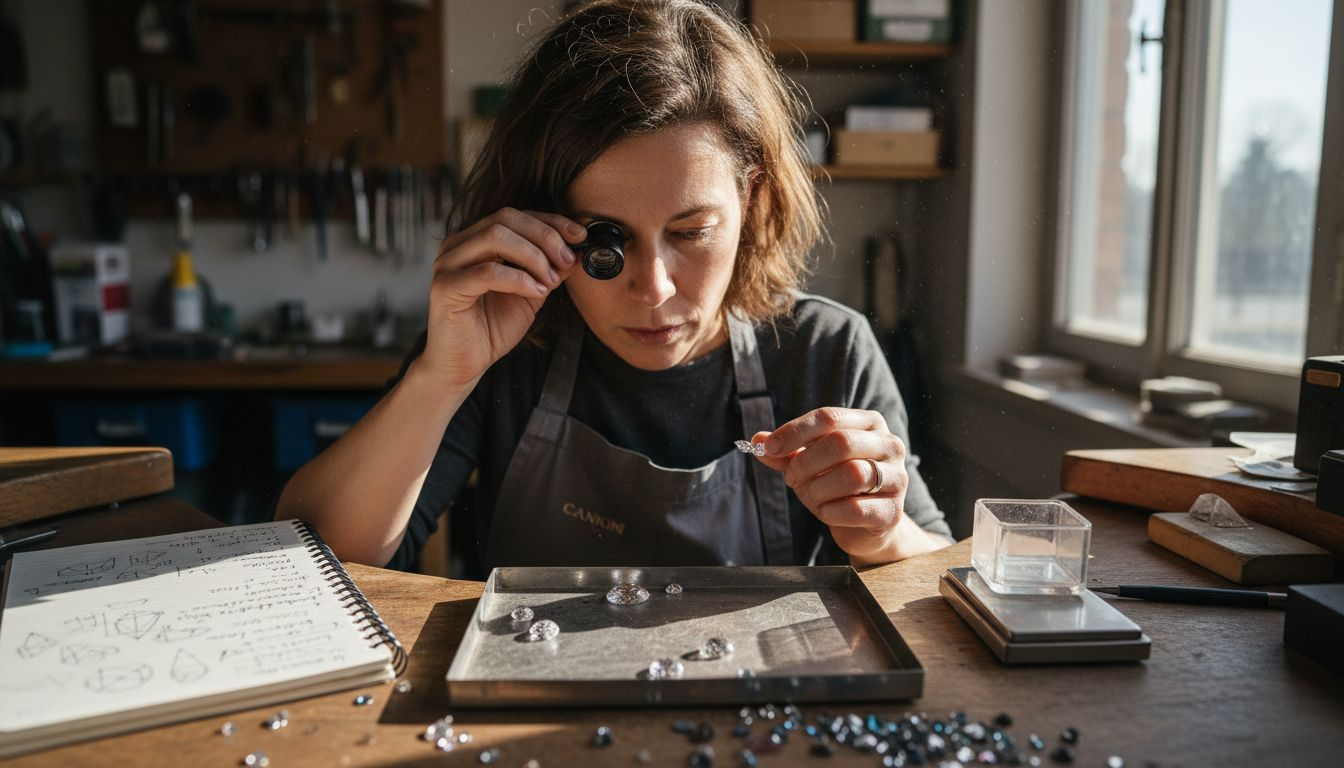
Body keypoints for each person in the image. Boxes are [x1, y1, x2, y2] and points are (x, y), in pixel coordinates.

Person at [276, 0, 953, 571]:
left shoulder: (826, 350)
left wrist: (884, 536)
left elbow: (933, 574)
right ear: (541, 219)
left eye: (691, 232)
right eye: (605, 240)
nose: (653, 289)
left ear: (749, 199)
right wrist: (440, 377)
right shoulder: (505, 344)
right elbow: (321, 561)